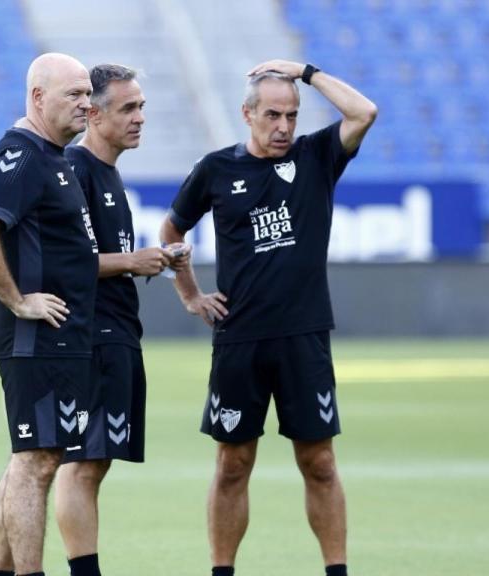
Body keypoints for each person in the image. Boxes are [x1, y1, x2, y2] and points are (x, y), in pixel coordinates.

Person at [160, 59, 377, 576]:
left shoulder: (316, 157)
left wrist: (306, 72)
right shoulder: (215, 170)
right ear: (248, 114)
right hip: (240, 340)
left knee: (319, 463)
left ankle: (337, 570)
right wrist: (190, 295)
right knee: (233, 465)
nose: (283, 127)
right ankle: (222, 570)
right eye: (273, 115)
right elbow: (171, 232)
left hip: (304, 336)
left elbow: (364, 112)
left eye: (291, 116)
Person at [0, 52, 96, 576]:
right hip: (34, 336)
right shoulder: (23, 154)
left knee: (32, 459)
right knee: (37, 461)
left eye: (88, 94)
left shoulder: (54, 156)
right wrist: (18, 300)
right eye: (73, 94)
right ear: (38, 97)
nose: (86, 104)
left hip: (58, 336)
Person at [54, 63, 186, 576]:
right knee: (81, 463)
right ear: (93, 114)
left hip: (117, 331)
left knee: (96, 461)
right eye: (128, 108)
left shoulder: (107, 173)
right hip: (90, 336)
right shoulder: (76, 168)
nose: (140, 118)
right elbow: (64, 263)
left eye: (142, 107)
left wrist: (151, 260)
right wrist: (133, 261)